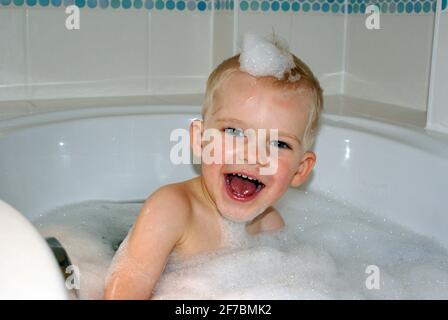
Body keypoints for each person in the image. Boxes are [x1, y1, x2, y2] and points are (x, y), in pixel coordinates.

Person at [104, 36, 323, 299]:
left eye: (278, 143)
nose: (253, 155)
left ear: (300, 170)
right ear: (199, 139)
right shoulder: (172, 209)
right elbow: (124, 290)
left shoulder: (270, 226)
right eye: (234, 131)